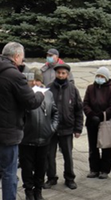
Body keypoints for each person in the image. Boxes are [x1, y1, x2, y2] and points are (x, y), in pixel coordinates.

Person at [0, 42, 44, 200]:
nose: (23, 60)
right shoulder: (14, 75)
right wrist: (40, 94)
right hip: (8, 134)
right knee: (9, 174)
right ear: (16, 56)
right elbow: (31, 101)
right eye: (22, 57)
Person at [19, 68, 59, 200]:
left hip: (44, 139)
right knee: (27, 167)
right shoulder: (25, 94)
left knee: (41, 167)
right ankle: (29, 191)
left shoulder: (48, 94)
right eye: (33, 80)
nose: (36, 83)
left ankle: (38, 190)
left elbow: (55, 113)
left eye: (38, 80)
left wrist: (51, 129)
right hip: (27, 139)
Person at [44, 63, 83, 190]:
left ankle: (69, 178)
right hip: (52, 129)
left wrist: (78, 128)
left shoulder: (72, 89)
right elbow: (44, 108)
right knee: (50, 155)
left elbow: (78, 110)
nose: (60, 75)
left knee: (68, 155)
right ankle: (51, 177)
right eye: (58, 73)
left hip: (67, 128)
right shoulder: (49, 88)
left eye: (63, 73)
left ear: (67, 74)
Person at [83, 67, 111, 179]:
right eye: (98, 76)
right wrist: (91, 115)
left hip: (104, 122)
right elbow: (85, 104)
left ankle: (105, 170)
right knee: (93, 147)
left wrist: (101, 116)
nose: (99, 78)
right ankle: (94, 169)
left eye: (102, 77)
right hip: (91, 122)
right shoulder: (90, 88)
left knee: (105, 147)